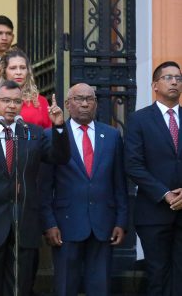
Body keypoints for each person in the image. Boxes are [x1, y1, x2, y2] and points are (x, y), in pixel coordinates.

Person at [0, 80, 70, 296]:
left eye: (17, 101)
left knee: (20, 288)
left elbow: (60, 157)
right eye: (6, 100)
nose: (12, 106)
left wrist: (58, 127)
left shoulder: (32, 132)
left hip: (24, 225)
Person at [40, 83, 128, 296]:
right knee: (66, 286)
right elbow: (44, 186)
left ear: (96, 104)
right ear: (68, 104)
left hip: (103, 224)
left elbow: (119, 183)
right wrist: (49, 223)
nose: (85, 103)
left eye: (90, 99)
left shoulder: (112, 136)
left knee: (100, 287)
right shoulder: (52, 136)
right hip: (66, 224)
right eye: (79, 99)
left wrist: (121, 221)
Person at [125, 61, 182, 296]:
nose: (174, 82)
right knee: (157, 274)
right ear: (155, 85)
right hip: (153, 212)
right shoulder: (139, 120)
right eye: (168, 77)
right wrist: (165, 194)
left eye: (178, 78)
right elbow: (133, 165)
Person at [0, 47, 52, 129]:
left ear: (28, 72)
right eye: (13, 68)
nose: (18, 72)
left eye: (22, 68)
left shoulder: (41, 102)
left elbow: (48, 135)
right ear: (4, 72)